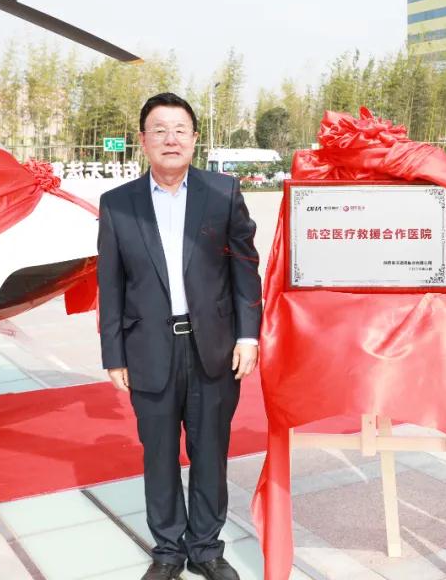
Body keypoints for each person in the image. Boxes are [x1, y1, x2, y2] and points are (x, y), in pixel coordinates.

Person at [97, 92, 262, 580]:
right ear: (143, 140)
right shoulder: (118, 204)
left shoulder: (222, 192)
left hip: (213, 347)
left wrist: (248, 336)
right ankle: (168, 551)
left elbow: (245, 269)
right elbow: (111, 283)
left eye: (180, 130)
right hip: (149, 347)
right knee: (160, 453)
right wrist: (113, 354)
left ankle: (206, 548)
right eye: (160, 130)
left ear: (194, 138)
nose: (171, 139)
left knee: (210, 451)